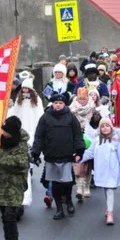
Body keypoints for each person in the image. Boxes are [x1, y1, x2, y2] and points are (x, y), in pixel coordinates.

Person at [32, 92, 85, 220]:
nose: (58, 105)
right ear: (52, 104)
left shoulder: (71, 117)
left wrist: (79, 151)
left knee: (67, 182)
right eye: (56, 103)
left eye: (60, 103)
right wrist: (35, 152)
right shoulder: (45, 118)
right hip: (51, 155)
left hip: (67, 155)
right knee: (55, 184)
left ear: (64, 104)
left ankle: (68, 200)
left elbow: (77, 134)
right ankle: (59, 209)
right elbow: (39, 136)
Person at [80, 117, 120, 225]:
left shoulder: (117, 140)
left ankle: (110, 213)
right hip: (101, 170)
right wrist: (79, 158)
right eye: (102, 126)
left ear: (111, 127)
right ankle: (109, 208)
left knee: (109, 190)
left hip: (112, 170)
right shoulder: (96, 141)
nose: (105, 128)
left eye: (107, 126)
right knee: (105, 188)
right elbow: (90, 152)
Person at [70, 87, 95, 201]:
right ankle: (79, 187)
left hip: (90, 138)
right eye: (80, 98)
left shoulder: (93, 109)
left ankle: (87, 186)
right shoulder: (72, 110)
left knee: (88, 163)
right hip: (77, 137)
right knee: (78, 161)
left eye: (84, 98)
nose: (82, 101)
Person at [8, 77, 44, 144]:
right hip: (23, 118)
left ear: (30, 88)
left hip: (32, 119)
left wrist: (39, 119)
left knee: (32, 132)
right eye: (23, 88)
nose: (24, 90)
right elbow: (16, 109)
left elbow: (39, 110)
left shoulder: (36, 98)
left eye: (26, 88)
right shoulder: (19, 97)